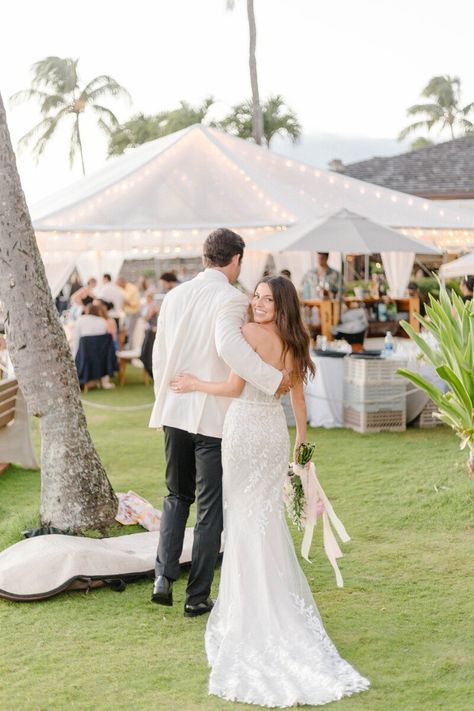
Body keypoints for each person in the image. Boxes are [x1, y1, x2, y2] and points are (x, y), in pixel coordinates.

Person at [170, 275, 370, 707]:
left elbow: (233, 388)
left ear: (280, 304)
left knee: (243, 519)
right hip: (274, 434)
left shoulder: (243, 335)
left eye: (265, 299)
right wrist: (302, 447)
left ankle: (250, 610)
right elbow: (299, 404)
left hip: (243, 432)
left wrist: (193, 384)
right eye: (255, 297)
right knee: (263, 518)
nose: (257, 304)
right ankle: (270, 600)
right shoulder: (296, 341)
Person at [149, 228, 291, 618]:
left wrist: (165, 400)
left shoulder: (174, 297)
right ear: (236, 260)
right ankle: (196, 597)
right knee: (211, 508)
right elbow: (230, 348)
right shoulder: (231, 299)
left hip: (177, 410)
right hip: (213, 415)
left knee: (176, 496)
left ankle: (163, 578)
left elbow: (159, 357)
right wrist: (274, 381)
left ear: (205, 257)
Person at [117, 276, 140, 349]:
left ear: (122, 282)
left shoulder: (131, 288)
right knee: (124, 331)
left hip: (133, 313)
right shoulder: (123, 289)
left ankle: (130, 348)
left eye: (119, 285)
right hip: (126, 313)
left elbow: (126, 300)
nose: (118, 286)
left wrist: (124, 301)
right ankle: (126, 347)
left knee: (130, 331)